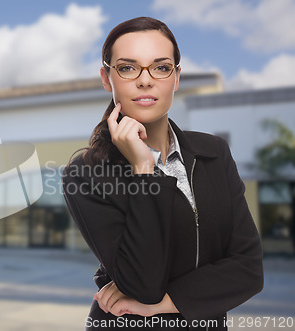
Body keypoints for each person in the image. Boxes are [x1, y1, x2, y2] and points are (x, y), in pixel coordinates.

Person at [61, 17, 263, 330]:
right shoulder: (85, 174)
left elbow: (249, 270)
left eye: (161, 67)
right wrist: (144, 169)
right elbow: (143, 283)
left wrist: (164, 304)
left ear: (176, 77)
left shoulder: (214, 153)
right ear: (106, 77)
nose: (145, 81)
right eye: (128, 67)